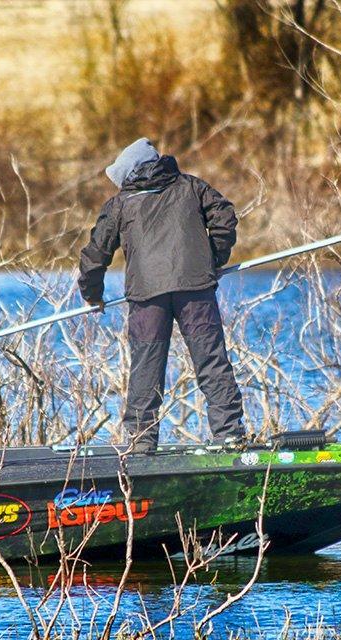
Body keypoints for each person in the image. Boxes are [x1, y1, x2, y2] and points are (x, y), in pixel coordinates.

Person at [78, 138, 246, 453]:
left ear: (128, 173)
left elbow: (95, 254)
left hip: (146, 298)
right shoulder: (191, 187)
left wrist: (92, 294)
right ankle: (229, 435)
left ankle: (142, 442)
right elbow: (224, 218)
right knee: (211, 361)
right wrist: (212, 259)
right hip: (195, 289)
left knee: (146, 367)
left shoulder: (120, 204)